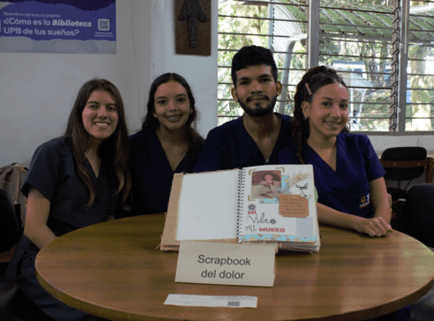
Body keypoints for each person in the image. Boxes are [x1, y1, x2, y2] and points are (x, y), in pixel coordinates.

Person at [278, 65, 409, 321]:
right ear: (306, 109)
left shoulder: (360, 145)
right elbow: (303, 206)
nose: (336, 114)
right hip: (321, 259)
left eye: (344, 105)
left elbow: (383, 199)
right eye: (326, 104)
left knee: (392, 313)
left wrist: (380, 225)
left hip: (369, 254)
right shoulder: (290, 156)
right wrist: (360, 223)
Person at [5, 78, 131, 321]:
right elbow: (34, 227)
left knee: (123, 303)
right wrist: (76, 266)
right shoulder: (52, 153)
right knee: (92, 312)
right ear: (80, 112)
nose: (102, 114)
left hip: (87, 259)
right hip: (43, 259)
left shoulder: (113, 164)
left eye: (111, 108)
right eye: (93, 106)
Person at [193, 45, 293, 172]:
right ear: (235, 94)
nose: (256, 89)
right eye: (245, 82)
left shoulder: (299, 132)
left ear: (278, 88)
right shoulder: (219, 140)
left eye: (264, 80)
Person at [127, 73, 204, 215]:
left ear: (191, 107)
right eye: (162, 102)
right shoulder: (132, 147)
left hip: (188, 234)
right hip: (138, 232)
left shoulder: (204, 151)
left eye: (180, 100)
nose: (172, 107)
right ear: (153, 111)